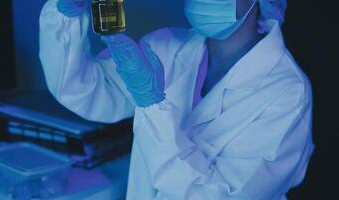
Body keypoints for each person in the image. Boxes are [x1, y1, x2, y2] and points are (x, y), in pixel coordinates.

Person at [39, 0, 315, 199]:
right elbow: (84, 90)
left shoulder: (288, 93)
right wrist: (66, 15)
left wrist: (152, 104)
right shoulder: (166, 45)